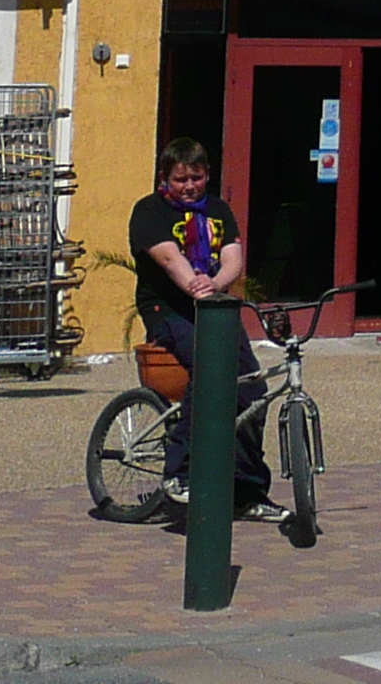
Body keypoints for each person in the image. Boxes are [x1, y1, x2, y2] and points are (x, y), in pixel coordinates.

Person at [129, 138, 280, 519]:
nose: (190, 186)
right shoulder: (149, 211)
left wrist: (216, 284)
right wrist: (196, 286)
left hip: (216, 307)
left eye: (196, 177)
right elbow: (168, 257)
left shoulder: (217, 211)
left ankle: (247, 492)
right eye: (181, 179)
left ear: (207, 175)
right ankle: (180, 472)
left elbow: (233, 259)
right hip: (169, 310)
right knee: (209, 371)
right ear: (165, 178)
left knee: (252, 389)